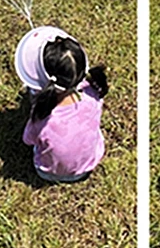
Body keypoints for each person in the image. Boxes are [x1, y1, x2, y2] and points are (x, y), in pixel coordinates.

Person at [15, 26, 108, 182]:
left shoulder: (41, 116)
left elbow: (28, 140)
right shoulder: (93, 95)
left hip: (48, 173)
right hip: (88, 166)